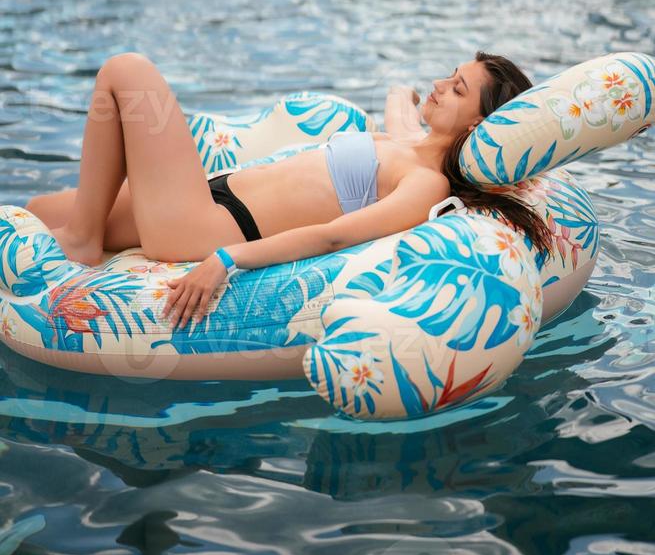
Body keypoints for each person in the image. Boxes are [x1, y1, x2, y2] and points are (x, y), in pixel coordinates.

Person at [25, 51, 552, 331]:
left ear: (478, 126)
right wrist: (404, 93)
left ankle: (84, 242)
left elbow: (331, 238)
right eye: (448, 75)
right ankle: (84, 233)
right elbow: (401, 105)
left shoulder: (425, 183)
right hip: (207, 194)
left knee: (126, 71)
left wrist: (225, 260)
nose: (441, 85)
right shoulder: (411, 143)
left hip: (209, 225)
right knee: (32, 212)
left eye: (457, 89)